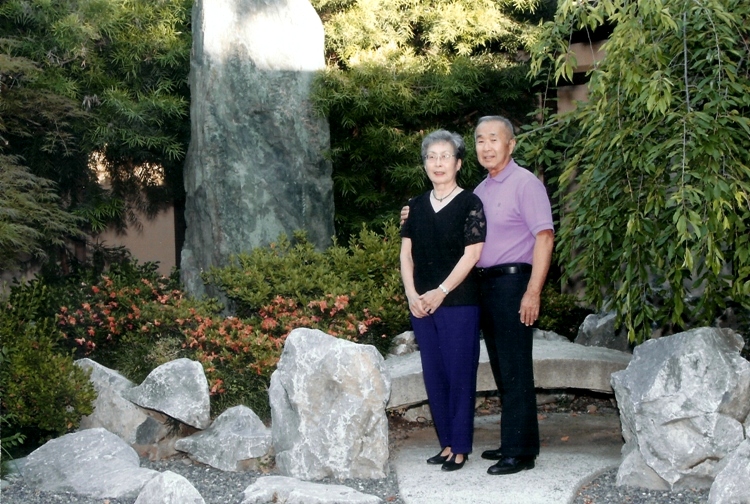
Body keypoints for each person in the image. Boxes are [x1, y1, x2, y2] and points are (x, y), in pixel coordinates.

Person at [401, 116, 554, 476]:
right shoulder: (481, 190)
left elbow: (544, 237)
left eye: (494, 139)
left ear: (510, 144)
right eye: (480, 140)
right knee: (502, 368)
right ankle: (511, 441)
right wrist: (411, 212)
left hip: (514, 283)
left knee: (516, 367)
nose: (487, 146)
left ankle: (521, 451)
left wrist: (533, 291)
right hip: (482, 284)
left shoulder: (525, 183)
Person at [400, 129, 486, 472]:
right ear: (425, 164)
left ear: (458, 163)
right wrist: (412, 295)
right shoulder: (415, 206)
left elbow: (473, 254)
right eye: (431, 157)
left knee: (459, 373)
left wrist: (442, 291)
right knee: (433, 374)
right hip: (421, 304)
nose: (438, 163)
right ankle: (446, 443)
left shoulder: (470, 203)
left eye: (445, 156)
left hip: (458, 301)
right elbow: (406, 255)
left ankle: (461, 446)